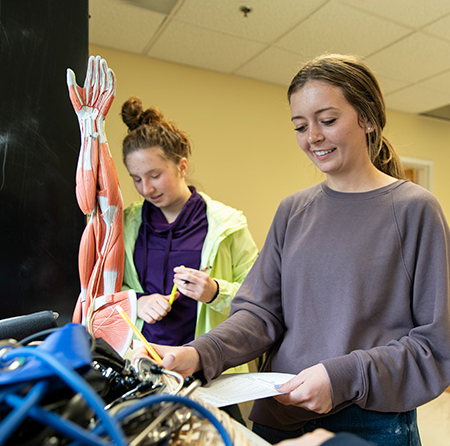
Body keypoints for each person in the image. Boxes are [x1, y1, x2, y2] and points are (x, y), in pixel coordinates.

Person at [135, 54, 450, 445]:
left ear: (367, 119)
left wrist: (341, 377)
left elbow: (435, 345)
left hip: (371, 423)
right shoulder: (293, 210)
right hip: (279, 414)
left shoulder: (414, 210)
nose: (312, 136)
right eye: (300, 126)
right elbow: (261, 313)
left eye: (327, 120)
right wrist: (201, 353)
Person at [120, 97, 259, 366]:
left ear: (182, 166)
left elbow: (259, 299)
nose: (146, 189)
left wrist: (215, 292)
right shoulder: (125, 224)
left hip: (207, 365)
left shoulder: (227, 224)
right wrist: (136, 301)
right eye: (136, 179)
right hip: (141, 360)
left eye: (155, 175)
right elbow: (102, 294)